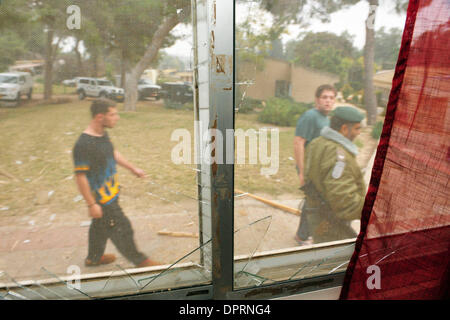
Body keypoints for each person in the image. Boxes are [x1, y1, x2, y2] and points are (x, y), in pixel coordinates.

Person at [73, 99, 158, 268]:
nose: (117, 117)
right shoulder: (83, 145)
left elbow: (112, 152)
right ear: (99, 117)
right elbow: (80, 177)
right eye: (113, 114)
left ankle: (93, 258)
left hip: (111, 192)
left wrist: (133, 168)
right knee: (123, 227)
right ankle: (140, 261)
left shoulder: (102, 134)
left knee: (100, 227)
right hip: (102, 199)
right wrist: (91, 205)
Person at [301, 106, 366, 244]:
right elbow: (345, 203)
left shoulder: (317, 143)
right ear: (343, 129)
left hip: (317, 217)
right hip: (331, 223)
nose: (359, 132)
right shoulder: (339, 156)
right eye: (357, 128)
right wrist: (373, 210)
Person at [294, 84, 336, 245]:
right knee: (312, 201)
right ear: (317, 99)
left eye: (331, 98)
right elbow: (298, 142)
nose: (328, 101)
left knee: (317, 201)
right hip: (309, 168)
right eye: (324, 97)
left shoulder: (325, 118)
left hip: (320, 169)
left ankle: (308, 233)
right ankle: (302, 236)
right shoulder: (310, 116)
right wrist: (302, 172)